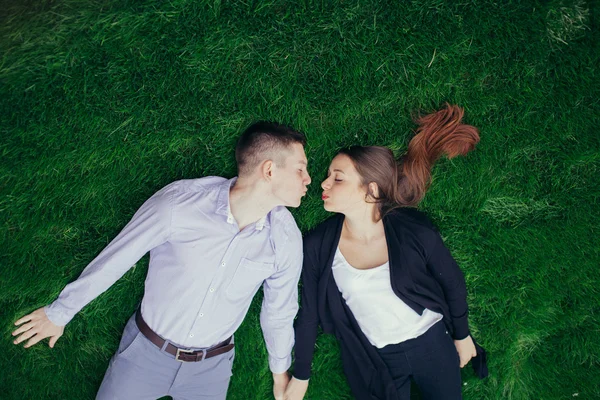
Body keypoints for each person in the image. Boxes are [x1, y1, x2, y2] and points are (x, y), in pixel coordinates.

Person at [12, 121, 312, 400]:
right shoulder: (180, 204)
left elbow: (279, 310)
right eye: (300, 169)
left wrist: (280, 373)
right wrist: (60, 313)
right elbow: (119, 256)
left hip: (212, 368)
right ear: (269, 170)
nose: (308, 179)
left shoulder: (285, 238)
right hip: (145, 353)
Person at [284, 104, 487, 400]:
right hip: (374, 357)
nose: (323, 183)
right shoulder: (317, 244)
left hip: (431, 343)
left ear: (372, 191)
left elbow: (452, 282)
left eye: (337, 178)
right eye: (328, 176)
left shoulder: (413, 231)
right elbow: (310, 312)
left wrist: (462, 335)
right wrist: (301, 375)